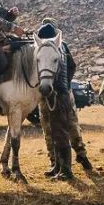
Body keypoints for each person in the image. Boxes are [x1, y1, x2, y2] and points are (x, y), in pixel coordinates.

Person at [36, 19, 92, 180]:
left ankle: (63, 167)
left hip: (57, 94)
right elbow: (72, 66)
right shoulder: (61, 46)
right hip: (59, 92)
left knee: (57, 130)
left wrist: (63, 84)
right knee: (62, 127)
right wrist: (66, 84)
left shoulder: (52, 48)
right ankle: (63, 163)